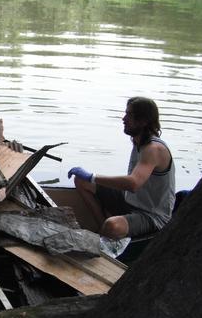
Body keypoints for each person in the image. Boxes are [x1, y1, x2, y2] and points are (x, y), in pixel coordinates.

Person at [68, 96, 175, 239]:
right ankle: (103, 234)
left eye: (129, 115)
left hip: (151, 215)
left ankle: (106, 237)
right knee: (81, 181)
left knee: (113, 225)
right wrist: (88, 178)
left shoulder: (153, 149)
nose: (123, 119)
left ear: (143, 121)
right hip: (130, 200)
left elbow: (133, 183)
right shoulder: (139, 141)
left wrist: (92, 176)